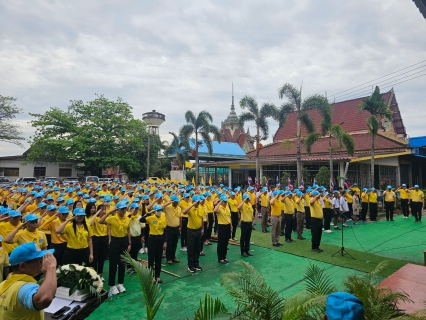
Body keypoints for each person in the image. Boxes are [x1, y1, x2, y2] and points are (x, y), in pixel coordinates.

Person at [0, 242, 57, 320]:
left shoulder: (4, 284)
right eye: (39, 261)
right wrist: (51, 267)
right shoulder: (24, 287)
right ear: (23, 266)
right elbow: (44, 298)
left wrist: (46, 272)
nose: (43, 263)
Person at [99, 202, 131, 295]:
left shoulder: (127, 218)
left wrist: (129, 243)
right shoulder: (112, 219)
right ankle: (112, 285)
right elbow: (100, 221)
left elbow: (128, 230)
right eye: (122, 209)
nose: (124, 210)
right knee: (113, 264)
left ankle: (120, 283)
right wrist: (109, 212)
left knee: (122, 263)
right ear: (117, 210)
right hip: (115, 241)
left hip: (124, 241)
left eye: (125, 209)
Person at [140, 204, 166, 283]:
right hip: (153, 238)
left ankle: (157, 276)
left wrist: (165, 241)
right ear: (154, 211)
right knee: (151, 258)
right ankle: (151, 277)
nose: (159, 212)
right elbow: (141, 220)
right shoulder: (151, 218)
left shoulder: (163, 216)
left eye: (160, 210)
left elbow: (164, 228)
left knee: (158, 258)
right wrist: (149, 213)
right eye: (157, 210)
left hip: (160, 238)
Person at [183, 196, 204, 273]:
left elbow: (201, 218)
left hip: (198, 230)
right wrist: (192, 205)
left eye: (199, 202)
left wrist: (202, 228)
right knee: (191, 248)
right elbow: (184, 212)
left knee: (197, 247)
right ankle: (190, 265)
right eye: (197, 202)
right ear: (194, 202)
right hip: (191, 230)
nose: (198, 203)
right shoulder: (190, 208)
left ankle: (196, 264)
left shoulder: (200, 208)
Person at [88, 205, 108, 279]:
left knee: (102, 258)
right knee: (95, 258)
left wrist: (109, 239)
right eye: (102, 210)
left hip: (104, 239)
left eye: (104, 209)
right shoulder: (95, 218)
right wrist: (97, 213)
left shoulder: (106, 219)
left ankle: (100, 274)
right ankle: (94, 274)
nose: (104, 211)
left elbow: (108, 229)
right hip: (96, 239)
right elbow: (90, 224)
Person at [162, 195, 181, 264]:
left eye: (177, 202)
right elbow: (161, 208)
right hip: (169, 228)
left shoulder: (179, 208)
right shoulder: (168, 208)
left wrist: (180, 226)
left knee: (175, 243)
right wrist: (168, 202)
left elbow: (179, 217)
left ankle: (173, 256)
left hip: (176, 228)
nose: (176, 203)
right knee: (169, 244)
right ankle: (168, 258)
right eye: (175, 202)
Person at [214, 194, 231, 264]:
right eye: (224, 201)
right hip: (221, 226)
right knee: (221, 242)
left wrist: (231, 225)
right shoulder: (219, 207)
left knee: (226, 242)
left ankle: (224, 256)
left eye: (226, 201)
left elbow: (229, 217)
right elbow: (215, 210)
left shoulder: (227, 207)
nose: (226, 203)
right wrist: (219, 203)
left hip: (227, 226)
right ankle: (220, 258)